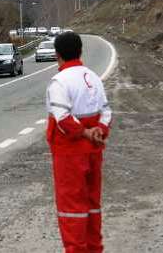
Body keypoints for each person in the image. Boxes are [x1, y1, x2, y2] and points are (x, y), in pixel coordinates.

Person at [46, 32, 112, 253]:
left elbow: (63, 119)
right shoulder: (93, 77)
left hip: (69, 155)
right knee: (93, 206)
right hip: (94, 151)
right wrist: (98, 132)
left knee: (71, 210)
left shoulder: (59, 82)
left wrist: (84, 133)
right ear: (80, 51)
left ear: (57, 55)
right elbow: (106, 112)